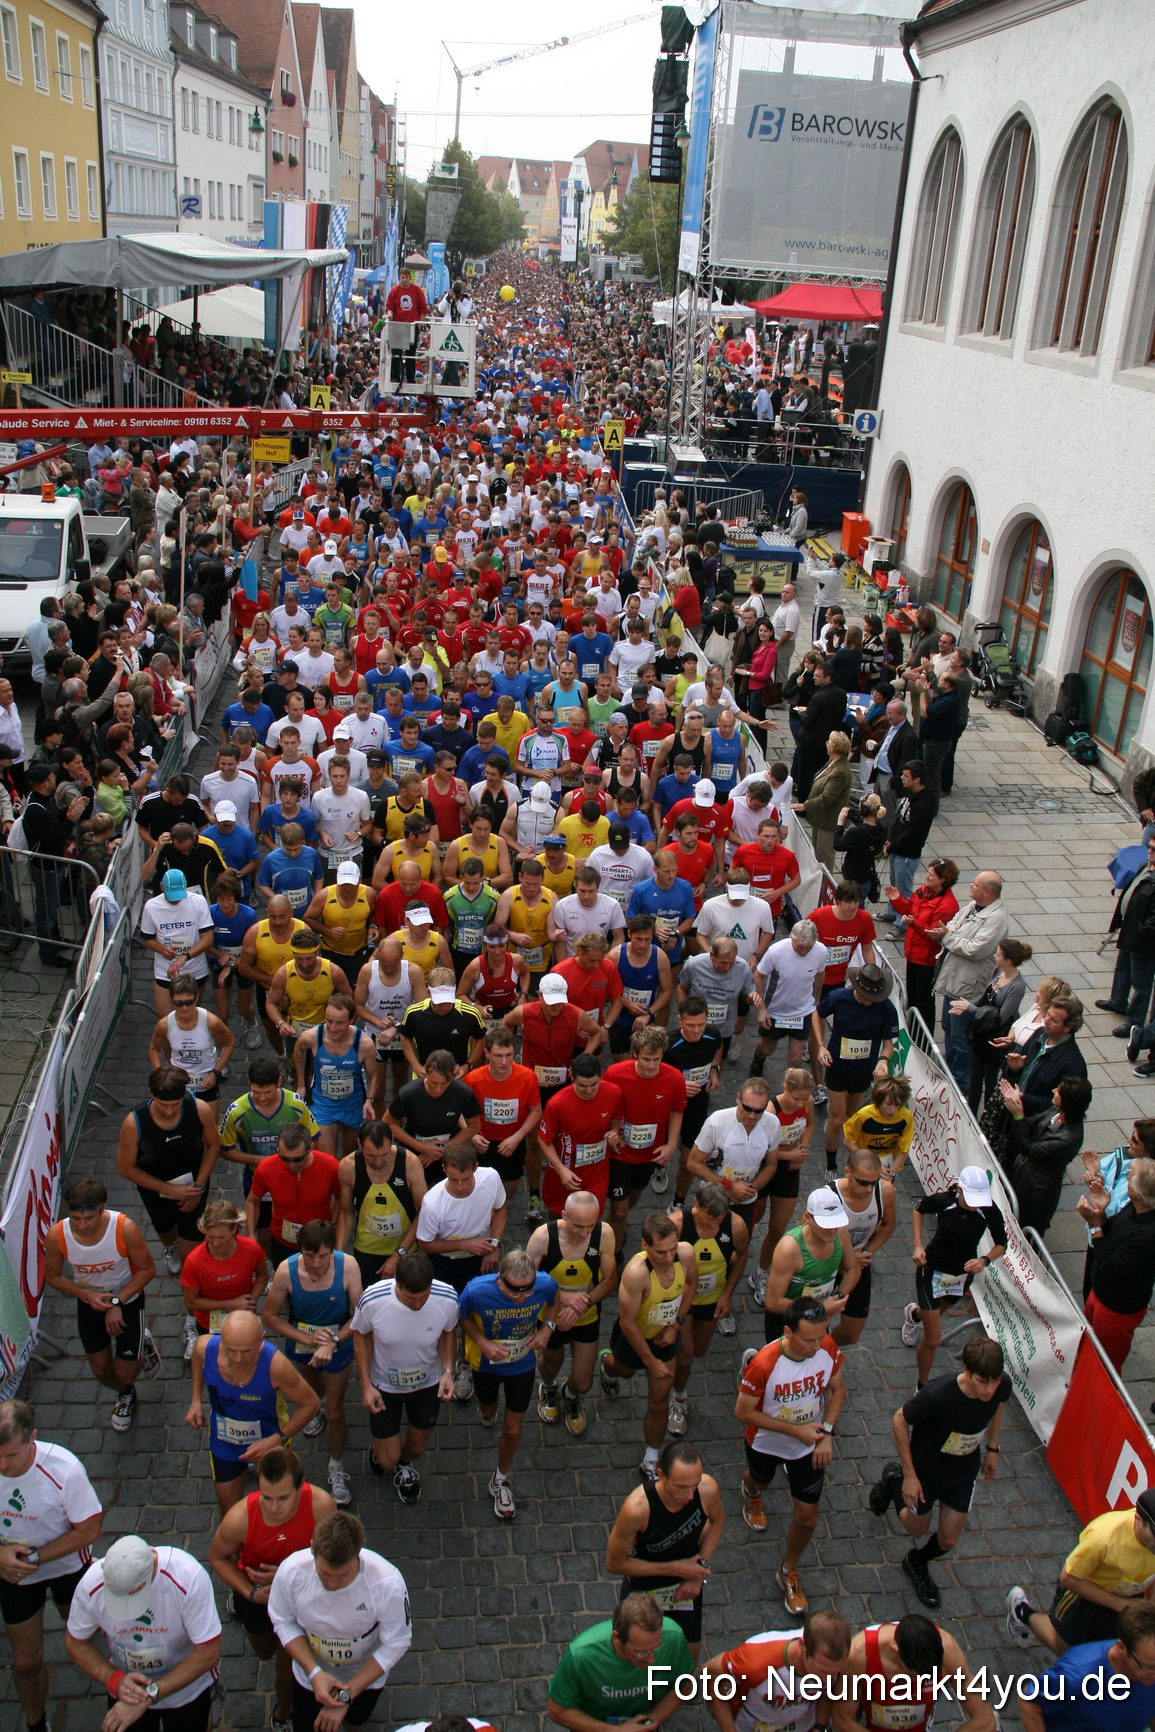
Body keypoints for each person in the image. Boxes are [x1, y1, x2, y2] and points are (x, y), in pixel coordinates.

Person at [871, 1332, 1009, 1609]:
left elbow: (998, 1406)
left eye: (994, 1381)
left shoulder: (1000, 1384)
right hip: (926, 1471)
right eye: (983, 1381)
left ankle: (917, 1561)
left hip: (963, 1471)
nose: (989, 1390)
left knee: (948, 1538)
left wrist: (993, 1448)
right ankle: (894, 1480)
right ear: (966, 1370)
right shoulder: (938, 1395)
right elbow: (899, 1420)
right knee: (916, 1528)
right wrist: (910, 1476)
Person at [207, 1449, 336, 1731]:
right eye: (267, 1497)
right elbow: (217, 1558)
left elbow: (335, 1559)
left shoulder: (321, 1507)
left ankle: (283, 1711)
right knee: (265, 1652)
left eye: (283, 1498)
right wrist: (249, 1592)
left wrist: (290, 1575)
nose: (275, 1507)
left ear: (300, 1487)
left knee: (286, 1667)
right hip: (258, 1598)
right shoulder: (240, 1518)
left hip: (302, 1598)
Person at [735, 1297, 848, 1615]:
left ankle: (788, 1570)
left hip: (808, 1445)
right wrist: (794, 1431)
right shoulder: (764, 1363)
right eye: (809, 1339)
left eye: (821, 1336)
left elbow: (839, 1390)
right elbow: (743, 1412)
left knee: (808, 1516)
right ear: (787, 1332)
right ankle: (751, 1493)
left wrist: (826, 1433)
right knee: (759, 1479)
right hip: (766, 1442)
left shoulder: (826, 1346)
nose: (817, 1346)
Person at [0, 1398, 103, 1732]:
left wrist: (33, 1558)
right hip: (11, 1572)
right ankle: (36, 1724)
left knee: (81, 1630)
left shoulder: (64, 1470)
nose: (2, 1465)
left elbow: (89, 1530)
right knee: (26, 1662)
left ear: (33, 1438)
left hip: (66, 1567)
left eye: (11, 1456)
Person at [267, 1510, 412, 1731]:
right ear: (312, 1548)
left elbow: (397, 1641)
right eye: (324, 1574)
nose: (333, 1585)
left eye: (343, 1575)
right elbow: (283, 1621)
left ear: (358, 1555)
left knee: (355, 1722)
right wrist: (314, 1672)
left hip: (365, 1680)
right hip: (309, 1677)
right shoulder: (291, 1572)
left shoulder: (387, 1583)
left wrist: (348, 1693)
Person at [65, 1534, 221, 1732]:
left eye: (136, 1594)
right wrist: (114, 1679)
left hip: (187, 1690)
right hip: (127, 1691)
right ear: (103, 1569)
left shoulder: (189, 1576)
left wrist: (150, 1694)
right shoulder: (90, 1584)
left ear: (154, 1564)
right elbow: (76, 1643)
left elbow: (208, 1653)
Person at [44, 1176, 157, 1433]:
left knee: (126, 1372)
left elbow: (147, 1270)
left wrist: (116, 1301)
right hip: (89, 1301)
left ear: (102, 1209)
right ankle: (125, 1393)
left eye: (88, 1218)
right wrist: (85, 1295)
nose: (82, 1226)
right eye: (75, 1218)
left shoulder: (124, 1228)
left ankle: (140, 1349)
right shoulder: (57, 1235)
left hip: (127, 1298)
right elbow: (53, 1277)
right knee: (100, 1369)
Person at [262, 1219, 363, 1507]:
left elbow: (360, 1314)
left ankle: (336, 1465)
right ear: (300, 1251)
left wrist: (333, 1342)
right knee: (314, 1391)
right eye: (309, 1256)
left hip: (338, 1344)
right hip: (303, 1345)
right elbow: (269, 1316)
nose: (317, 1263)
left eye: (323, 1256)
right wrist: (306, 1339)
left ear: (333, 1251)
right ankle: (316, 1408)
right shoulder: (286, 1272)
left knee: (335, 1411)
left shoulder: (348, 1266)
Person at [459, 1247, 560, 1520]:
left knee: (513, 1429)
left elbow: (554, 1298)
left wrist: (547, 1328)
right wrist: (481, 1342)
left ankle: (500, 1479)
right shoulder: (476, 1291)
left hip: (522, 1364)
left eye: (527, 1292)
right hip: (485, 1364)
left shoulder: (545, 1284)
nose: (521, 1298)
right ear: (499, 1279)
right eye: (514, 1292)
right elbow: (462, 1317)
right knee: (488, 1409)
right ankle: (486, 1410)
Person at [187, 1309, 319, 1515]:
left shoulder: (276, 1365)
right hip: (225, 1442)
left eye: (247, 1351)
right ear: (221, 1338)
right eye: (231, 1350)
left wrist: (278, 1438)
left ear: (261, 1340)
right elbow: (196, 1356)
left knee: (278, 1509)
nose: (238, 1359)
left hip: (269, 1441)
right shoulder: (205, 1347)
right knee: (230, 1512)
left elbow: (311, 1404)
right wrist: (195, 1400)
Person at [351, 1251, 460, 1503]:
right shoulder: (373, 1299)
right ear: (397, 1285)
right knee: (386, 1460)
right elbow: (361, 1336)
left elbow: (448, 1332)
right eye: (411, 1298)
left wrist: (447, 1372)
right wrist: (366, 1385)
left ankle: (405, 1464)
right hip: (385, 1386)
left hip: (427, 1384)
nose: (418, 1305)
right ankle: (383, 1452)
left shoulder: (447, 1297)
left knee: (416, 1448)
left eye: (424, 1297)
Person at [598, 1212, 698, 1481]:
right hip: (633, 1340)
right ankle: (607, 1365)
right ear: (645, 1246)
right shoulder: (635, 1273)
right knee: (624, 1371)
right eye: (661, 1252)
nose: (668, 1257)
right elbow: (628, 1323)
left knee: (659, 1402)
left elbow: (691, 1284)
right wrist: (650, 1362)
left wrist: (676, 1325)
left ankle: (651, 1459)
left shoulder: (686, 1254)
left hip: (666, 1338)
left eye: (672, 1249)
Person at [604, 1441, 724, 1661]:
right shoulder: (637, 1509)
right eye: (681, 1487)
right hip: (643, 1589)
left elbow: (717, 1521)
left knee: (688, 1654)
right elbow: (615, 1562)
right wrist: (676, 1568)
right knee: (637, 1655)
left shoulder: (707, 1490)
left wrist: (699, 1570)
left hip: (687, 1585)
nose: (690, 1495)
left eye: (694, 1484)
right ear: (660, 1475)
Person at [1007, 1493, 1155, 1656]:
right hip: (1084, 1597)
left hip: (1128, 1598)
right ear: (1138, 1519)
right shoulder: (1103, 1537)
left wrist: (1150, 1609)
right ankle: (1022, 1613)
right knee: (1066, 1651)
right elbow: (1069, 1578)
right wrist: (1120, 1604)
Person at [901, 1165, 1008, 1385]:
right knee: (932, 1339)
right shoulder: (944, 1201)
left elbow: (1001, 1244)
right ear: (959, 1190)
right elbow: (919, 1209)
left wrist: (984, 1260)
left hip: (961, 1276)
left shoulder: (988, 1209)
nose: (975, 1205)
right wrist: (918, 1245)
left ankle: (914, 1315)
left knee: (935, 1314)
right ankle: (922, 1386)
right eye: (970, 1199)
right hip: (932, 1269)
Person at [527, 1189, 617, 1437]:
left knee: (584, 1382)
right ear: (564, 1216)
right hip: (550, 1317)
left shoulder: (605, 1234)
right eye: (578, 1226)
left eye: (590, 1226)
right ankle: (548, 1387)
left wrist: (582, 1304)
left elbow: (610, 1280)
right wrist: (565, 1299)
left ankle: (571, 1394)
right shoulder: (543, 1237)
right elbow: (525, 1282)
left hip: (586, 1316)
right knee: (551, 1363)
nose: (584, 1233)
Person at [115, 1065, 220, 1274]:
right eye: (163, 1104)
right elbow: (125, 1168)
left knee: (190, 1251)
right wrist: (170, 1190)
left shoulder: (199, 1109)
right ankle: (171, 1246)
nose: (169, 1110)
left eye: (176, 1104)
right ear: (152, 1095)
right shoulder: (134, 1123)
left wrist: (198, 1187)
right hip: (156, 1191)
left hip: (193, 1187)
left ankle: (191, 1280)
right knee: (165, 1229)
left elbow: (213, 1146)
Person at [546, 1592, 693, 1732]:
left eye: (657, 1647)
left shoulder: (674, 1637)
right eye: (641, 1652)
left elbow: (683, 1686)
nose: (651, 1659)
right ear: (617, 1638)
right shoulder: (581, 1656)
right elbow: (557, 1710)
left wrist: (647, 1723)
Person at [668, 1183, 750, 1429]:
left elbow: (742, 1255)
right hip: (682, 1301)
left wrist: (728, 1294)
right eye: (709, 1217)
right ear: (696, 1205)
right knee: (685, 1358)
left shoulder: (736, 1226)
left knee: (698, 1351)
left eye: (720, 1218)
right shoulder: (677, 1225)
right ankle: (679, 1398)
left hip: (711, 1299)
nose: (715, 1223)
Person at [832, 1616, 996, 1732]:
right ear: (895, 1651)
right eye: (912, 1678)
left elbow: (985, 1720)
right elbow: (842, 1721)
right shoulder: (858, 1655)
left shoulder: (949, 1651)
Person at [701, 1611, 853, 1732]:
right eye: (821, 1671)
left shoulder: (832, 1662)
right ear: (803, 1646)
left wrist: (820, 1726)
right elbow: (708, 1673)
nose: (827, 1680)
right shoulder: (756, 1662)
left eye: (836, 1672)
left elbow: (826, 1695)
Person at [603, 1027, 687, 1243]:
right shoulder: (614, 1074)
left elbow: (677, 1111)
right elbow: (605, 1106)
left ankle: (615, 1224)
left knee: (635, 1194)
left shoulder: (675, 1078)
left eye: (656, 1059)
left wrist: (671, 1144)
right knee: (620, 1211)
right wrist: (612, 1131)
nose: (651, 1066)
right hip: (619, 1153)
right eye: (646, 1059)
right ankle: (615, 1249)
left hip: (650, 1154)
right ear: (635, 1055)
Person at [1017, 1602, 1155, 1732]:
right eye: (1148, 1666)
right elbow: (1029, 1700)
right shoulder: (1078, 1675)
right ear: (1121, 1648)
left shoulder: (1146, 1668)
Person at [816, 964, 899, 1177]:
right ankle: (831, 1165)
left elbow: (888, 1044)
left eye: (873, 997)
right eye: (865, 996)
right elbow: (818, 1014)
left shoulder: (886, 1008)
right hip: (837, 1066)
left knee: (852, 1115)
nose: (868, 1001)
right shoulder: (839, 998)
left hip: (864, 1070)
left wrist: (883, 1060)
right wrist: (820, 1045)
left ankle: (841, 1129)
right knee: (837, 1120)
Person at [933, 870, 1010, 1090]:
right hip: (953, 980)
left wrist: (947, 937)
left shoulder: (996, 919)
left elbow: (975, 949)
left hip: (967, 987)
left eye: (975, 885)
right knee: (949, 1028)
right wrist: (949, 934)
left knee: (961, 1037)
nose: (970, 886)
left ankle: (961, 1083)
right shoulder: (972, 906)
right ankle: (949, 1069)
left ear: (987, 892)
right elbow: (953, 924)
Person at [1081, 1154, 1155, 1371]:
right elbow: (1111, 1229)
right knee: (1087, 1346)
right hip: (1100, 1294)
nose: (1126, 1178)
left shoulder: (1147, 1235)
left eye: (1129, 1178)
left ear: (1139, 1193)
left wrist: (1094, 1225)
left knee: (1105, 1365)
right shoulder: (1135, 1206)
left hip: (1116, 1309)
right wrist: (1102, 1213)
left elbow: (1110, 1268)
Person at [337, 1118, 426, 1289]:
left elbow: (424, 1212)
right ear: (359, 1144)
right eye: (370, 1156)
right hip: (366, 1248)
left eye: (384, 1154)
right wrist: (339, 1255)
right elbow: (346, 1213)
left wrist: (399, 1253)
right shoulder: (348, 1166)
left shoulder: (409, 1162)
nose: (378, 1162)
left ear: (392, 1141)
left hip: (404, 1248)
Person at [177, 1198, 268, 1363]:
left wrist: (251, 1301)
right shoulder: (194, 1261)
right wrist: (232, 1304)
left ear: (235, 1229)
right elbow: (191, 1302)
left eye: (221, 1237)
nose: (216, 1243)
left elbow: (262, 1276)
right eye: (210, 1237)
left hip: (243, 1319)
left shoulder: (251, 1249)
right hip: (209, 1325)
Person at [243, 1122, 341, 1266]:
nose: (291, 1164)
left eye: (297, 1159)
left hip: (319, 1242)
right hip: (282, 1242)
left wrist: (331, 1224)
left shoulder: (330, 1167)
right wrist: (251, 1234)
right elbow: (252, 1201)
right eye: (284, 1158)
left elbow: (341, 1197)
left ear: (310, 1148)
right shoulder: (266, 1169)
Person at [293, 993, 378, 1156]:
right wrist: (301, 1084)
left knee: (350, 1156)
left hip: (354, 1105)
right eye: (329, 1021)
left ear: (351, 1019)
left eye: (339, 1023)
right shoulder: (312, 1037)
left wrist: (369, 1100)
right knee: (326, 1158)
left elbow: (373, 1076)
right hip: (324, 1104)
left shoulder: (364, 1044)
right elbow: (299, 1049)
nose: (332, 1028)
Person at [1008, 1076, 1094, 1235]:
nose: (1053, 1091)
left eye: (1058, 1091)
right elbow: (1031, 1123)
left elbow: (1028, 1148)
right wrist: (1017, 1105)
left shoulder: (1068, 1139)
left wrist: (1018, 1115)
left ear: (1067, 1101)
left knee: (1027, 1226)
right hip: (1024, 1175)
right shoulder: (1056, 1111)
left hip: (1037, 1189)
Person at [829, 1147, 896, 1348]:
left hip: (859, 1262)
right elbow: (806, 1239)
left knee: (852, 1334)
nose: (868, 1189)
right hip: (827, 1262)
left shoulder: (885, 1192)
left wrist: (867, 1251)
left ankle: (825, 1347)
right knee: (812, 1323)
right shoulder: (830, 1197)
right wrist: (847, 1258)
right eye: (863, 1182)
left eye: (874, 1183)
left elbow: (888, 1225)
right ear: (848, 1173)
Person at [886, 858, 961, 1031]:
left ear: (943, 879)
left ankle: (923, 1037)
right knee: (912, 997)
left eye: (931, 875)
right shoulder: (924, 890)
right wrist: (897, 900)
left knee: (923, 1001)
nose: (926, 876)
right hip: (914, 954)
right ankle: (912, 1031)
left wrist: (914, 924)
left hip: (928, 960)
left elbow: (935, 936)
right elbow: (909, 909)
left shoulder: (947, 906)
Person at [386, 1051, 482, 1183]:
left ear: (453, 1074)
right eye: (433, 1082)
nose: (438, 1089)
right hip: (415, 1152)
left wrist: (442, 1148)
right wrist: (420, 1147)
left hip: (449, 1152)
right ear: (425, 1072)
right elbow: (388, 1123)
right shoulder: (408, 1094)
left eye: (445, 1083)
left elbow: (474, 1126)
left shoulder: (463, 1093)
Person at [147, 977, 235, 1106]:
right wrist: (160, 1074)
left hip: (206, 1081)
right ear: (171, 1000)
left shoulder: (211, 1022)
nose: (184, 1007)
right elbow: (154, 1048)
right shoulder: (165, 1024)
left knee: (210, 1118)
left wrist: (216, 1072)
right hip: (178, 1081)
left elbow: (229, 1043)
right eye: (178, 1003)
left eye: (189, 1002)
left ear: (197, 997)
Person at [140, 867, 215, 1016]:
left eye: (179, 895)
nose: (176, 900)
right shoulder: (151, 906)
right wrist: (162, 949)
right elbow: (147, 939)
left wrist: (185, 957)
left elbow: (208, 938)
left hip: (194, 970)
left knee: (189, 1017)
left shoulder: (198, 901)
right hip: (166, 971)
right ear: (161, 887)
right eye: (172, 895)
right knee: (167, 1020)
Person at [843, 1076, 915, 1177]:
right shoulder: (864, 1115)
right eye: (888, 1104)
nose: (893, 1110)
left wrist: (891, 1173)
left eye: (897, 1105)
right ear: (880, 1100)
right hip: (864, 1165)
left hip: (889, 1167)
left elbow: (904, 1150)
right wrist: (872, 1163)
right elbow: (848, 1141)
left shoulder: (906, 1117)